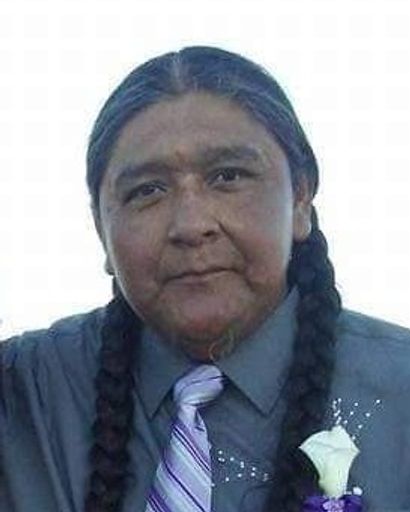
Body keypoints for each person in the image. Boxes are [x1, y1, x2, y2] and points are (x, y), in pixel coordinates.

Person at [1, 46, 410, 512]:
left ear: (300, 199)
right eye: (147, 190)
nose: (191, 225)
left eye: (227, 176)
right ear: (100, 229)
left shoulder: (399, 391)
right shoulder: (26, 395)